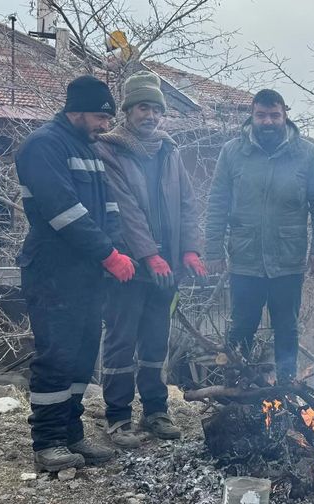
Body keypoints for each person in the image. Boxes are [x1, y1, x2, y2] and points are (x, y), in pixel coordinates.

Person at [16, 75, 135, 472]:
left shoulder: (89, 148)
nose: (106, 126)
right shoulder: (43, 146)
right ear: (77, 111)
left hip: (88, 273)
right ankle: (47, 441)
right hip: (53, 270)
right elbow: (63, 212)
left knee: (83, 354)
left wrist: (117, 250)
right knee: (57, 355)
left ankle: (71, 433)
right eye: (102, 117)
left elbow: (109, 209)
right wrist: (108, 254)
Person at [93, 71, 207, 448]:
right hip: (128, 267)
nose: (151, 115)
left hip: (166, 269)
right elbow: (126, 210)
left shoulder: (169, 150)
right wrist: (150, 256)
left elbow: (188, 204)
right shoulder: (109, 149)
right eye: (144, 107)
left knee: (157, 340)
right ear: (128, 110)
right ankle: (118, 417)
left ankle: (156, 410)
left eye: (157, 109)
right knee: (121, 341)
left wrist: (190, 248)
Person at [205, 89, 314, 384]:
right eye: (261, 115)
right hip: (244, 259)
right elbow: (217, 202)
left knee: (287, 327)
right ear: (252, 115)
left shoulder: (307, 154)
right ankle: (235, 388)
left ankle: (286, 389)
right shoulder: (232, 152)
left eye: (274, 115)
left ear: (285, 114)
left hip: (288, 260)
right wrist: (212, 250)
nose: (268, 121)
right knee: (240, 327)